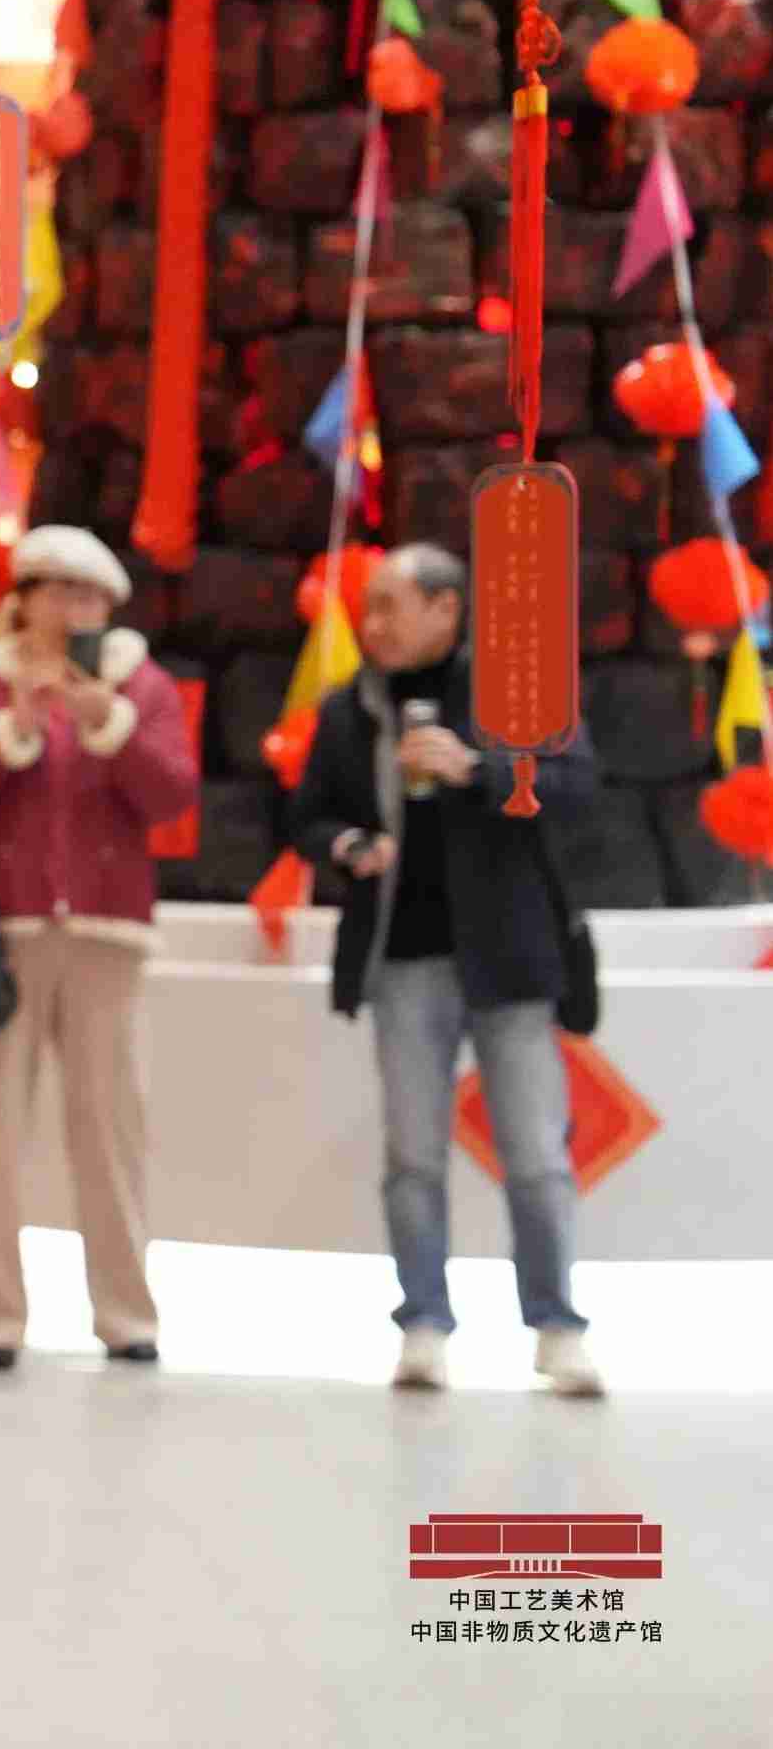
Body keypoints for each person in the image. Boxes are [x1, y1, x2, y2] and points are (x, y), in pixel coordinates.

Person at [287, 544, 604, 1396]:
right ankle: (423, 1323)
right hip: (402, 958)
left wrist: (478, 769)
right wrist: (349, 846)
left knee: (535, 1153)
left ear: (447, 609)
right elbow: (306, 816)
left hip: (509, 956)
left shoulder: (519, 690)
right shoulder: (350, 707)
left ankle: (556, 1325)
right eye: (369, 608)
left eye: (390, 606)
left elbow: (577, 785)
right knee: (412, 1156)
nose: (374, 625)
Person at [0, 526, 198, 1371]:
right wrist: (12, 730)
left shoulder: (140, 685)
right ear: (26, 599)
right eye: (59, 593)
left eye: (91, 598)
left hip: (108, 936)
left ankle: (127, 1315)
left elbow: (172, 794)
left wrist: (109, 723)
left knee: (112, 1130)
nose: (75, 611)